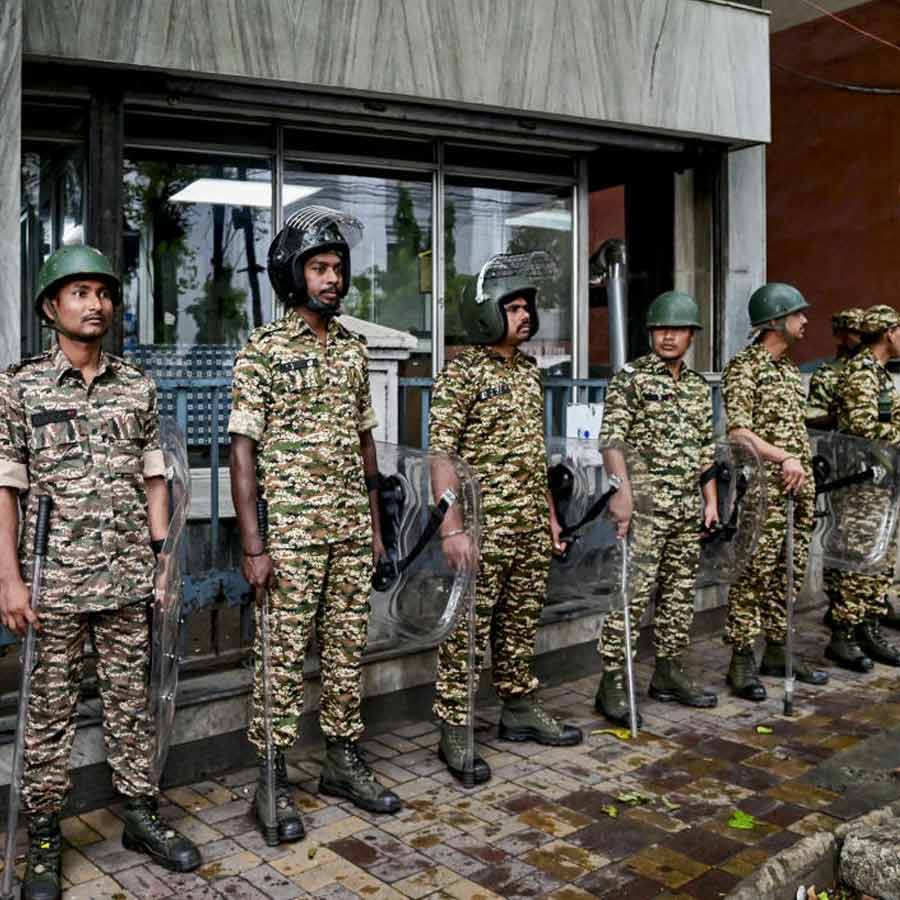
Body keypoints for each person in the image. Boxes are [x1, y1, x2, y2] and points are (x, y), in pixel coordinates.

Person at [0, 245, 201, 900]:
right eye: (80, 291)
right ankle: (46, 837)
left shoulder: (136, 386)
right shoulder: (19, 386)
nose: (95, 304)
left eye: (103, 293)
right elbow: (6, 487)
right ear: (51, 306)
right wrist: (8, 578)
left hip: (124, 579)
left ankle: (141, 814)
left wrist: (161, 558)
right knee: (49, 716)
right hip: (52, 583)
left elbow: (153, 477)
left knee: (130, 705)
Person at [228, 206, 400, 843]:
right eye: (319, 268)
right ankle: (271, 779)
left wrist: (378, 529)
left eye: (337, 268)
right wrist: (253, 545)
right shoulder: (264, 352)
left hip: (352, 533)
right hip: (292, 539)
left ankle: (341, 761)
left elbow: (365, 447)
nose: (332, 279)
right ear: (292, 275)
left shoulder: (353, 351)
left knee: (346, 655)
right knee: (279, 659)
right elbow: (242, 451)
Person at [428, 251, 582, 786]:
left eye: (526, 307)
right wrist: (453, 527)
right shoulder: (462, 373)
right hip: (482, 527)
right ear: (488, 313)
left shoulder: (528, 374)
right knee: (468, 628)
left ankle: (518, 705)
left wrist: (551, 519)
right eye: (512, 307)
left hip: (529, 527)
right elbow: (441, 453)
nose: (523, 316)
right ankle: (454, 725)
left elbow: (533, 453)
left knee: (519, 622)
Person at [594, 291, 719, 728]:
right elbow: (612, 441)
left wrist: (711, 501)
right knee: (631, 595)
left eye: (678, 330)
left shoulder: (700, 388)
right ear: (650, 333)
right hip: (644, 510)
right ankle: (612, 680)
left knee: (679, 595)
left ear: (691, 335)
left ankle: (668, 671)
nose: (669, 336)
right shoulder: (630, 379)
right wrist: (621, 495)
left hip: (687, 510)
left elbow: (706, 448)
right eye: (661, 329)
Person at [721, 283, 829, 700]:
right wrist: (783, 456)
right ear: (776, 320)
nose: (805, 321)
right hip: (763, 489)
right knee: (753, 571)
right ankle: (742, 657)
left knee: (789, 572)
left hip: (796, 487)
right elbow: (738, 432)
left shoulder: (787, 368)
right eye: (798, 314)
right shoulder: (745, 367)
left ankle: (778, 649)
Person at [828, 305, 900, 668]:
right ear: (889, 333)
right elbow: (861, 427)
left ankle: (868, 626)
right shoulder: (861, 373)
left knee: (879, 559)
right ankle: (844, 635)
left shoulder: (880, 373)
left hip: (882, 479)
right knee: (857, 559)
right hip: (861, 483)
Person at [805, 308, 864, 430]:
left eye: (866, 334)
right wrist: (842, 416)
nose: (863, 339)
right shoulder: (828, 374)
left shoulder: (878, 367)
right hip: (843, 443)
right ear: (842, 335)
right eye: (856, 333)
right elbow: (811, 419)